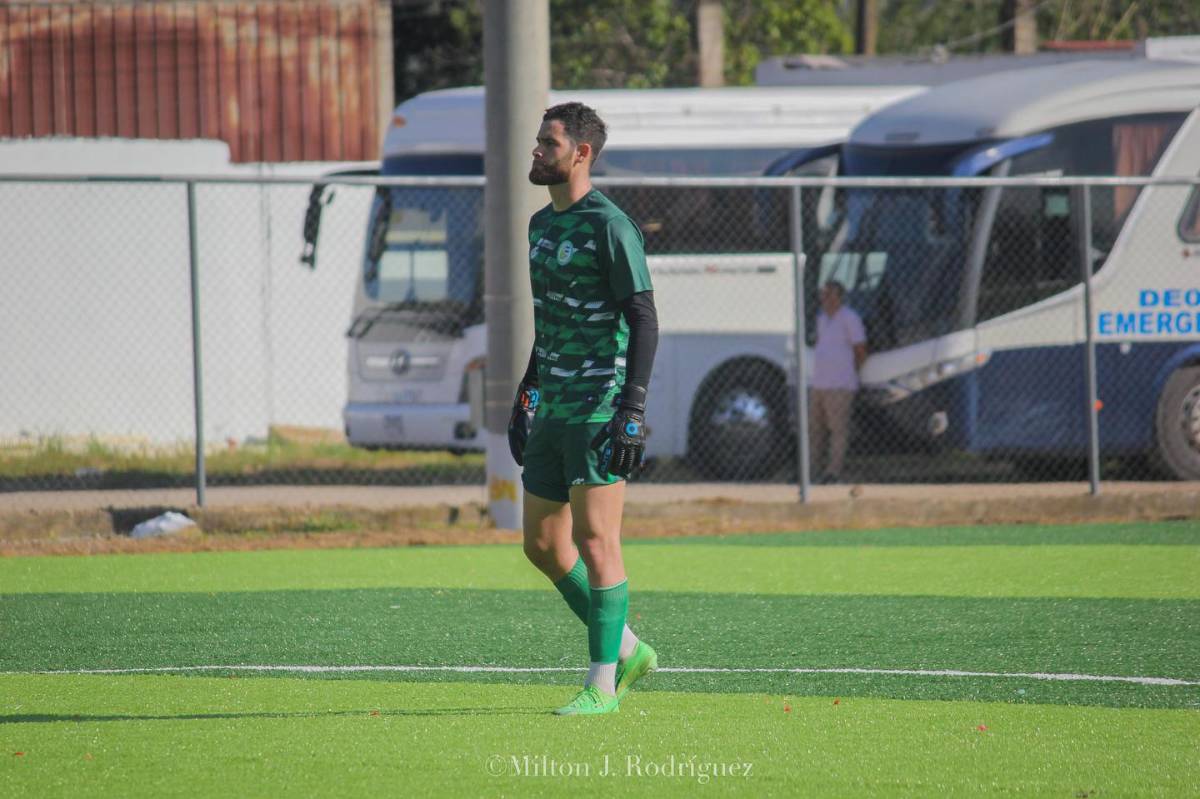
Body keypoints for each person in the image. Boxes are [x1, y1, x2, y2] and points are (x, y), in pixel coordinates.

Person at [507, 102, 660, 716]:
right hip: (554, 405)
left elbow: (644, 319)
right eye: (539, 140)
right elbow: (551, 319)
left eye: (549, 143)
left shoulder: (610, 226)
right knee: (543, 545)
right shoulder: (540, 226)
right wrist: (528, 389)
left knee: (597, 541)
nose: (537, 150)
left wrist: (632, 407)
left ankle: (602, 686)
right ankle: (627, 649)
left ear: (582, 153)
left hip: (600, 405)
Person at [810, 280, 867, 484]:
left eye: (830, 294)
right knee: (815, 430)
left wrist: (851, 372)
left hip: (840, 384)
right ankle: (812, 471)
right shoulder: (821, 319)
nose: (825, 298)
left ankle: (833, 472)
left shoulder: (850, 318)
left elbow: (860, 350)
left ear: (840, 297)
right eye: (823, 294)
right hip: (819, 383)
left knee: (838, 430)